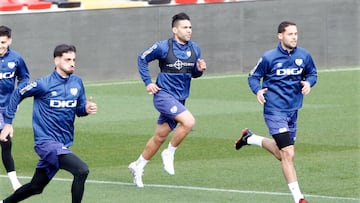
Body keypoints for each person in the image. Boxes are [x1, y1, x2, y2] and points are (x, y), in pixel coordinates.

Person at [0, 44, 97, 203]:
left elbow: (78, 110)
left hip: (62, 144)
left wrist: (86, 108)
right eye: (67, 59)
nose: (72, 63)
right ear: (56, 60)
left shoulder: (77, 82)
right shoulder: (44, 84)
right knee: (81, 170)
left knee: (35, 187)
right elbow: (18, 93)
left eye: (74, 59)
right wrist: (8, 123)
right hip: (46, 143)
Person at [235, 21, 317, 203]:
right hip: (274, 111)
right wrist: (257, 90)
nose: (294, 37)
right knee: (288, 153)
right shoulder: (268, 58)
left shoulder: (304, 55)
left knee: (283, 154)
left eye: (296, 34)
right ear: (280, 36)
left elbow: (312, 73)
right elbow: (253, 76)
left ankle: (250, 138)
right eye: (290, 34)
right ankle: (299, 198)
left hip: (293, 110)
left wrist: (309, 83)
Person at [128, 12, 207, 188]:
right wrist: (148, 82)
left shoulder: (195, 49)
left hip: (180, 99)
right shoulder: (163, 47)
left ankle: (138, 165)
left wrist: (199, 70)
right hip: (163, 96)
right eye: (185, 27)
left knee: (160, 136)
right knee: (189, 122)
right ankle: (169, 153)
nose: (189, 31)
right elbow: (142, 58)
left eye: (190, 27)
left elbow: (192, 73)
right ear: (175, 29)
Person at [0, 25, 30, 191]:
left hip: (8, 107)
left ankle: (14, 182)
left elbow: (24, 78)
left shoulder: (16, 59)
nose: (0, 46)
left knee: (5, 143)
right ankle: (15, 183)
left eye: (3, 42)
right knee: (5, 140)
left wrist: (17, 97)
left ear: (9, 40)